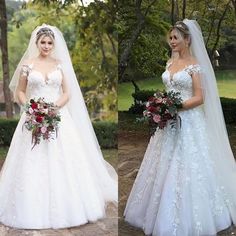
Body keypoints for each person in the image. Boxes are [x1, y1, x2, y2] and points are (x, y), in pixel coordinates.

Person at [124, 19, 236, 236]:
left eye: (176, 38)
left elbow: (200, 97)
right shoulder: (169, 63)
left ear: (188, 39)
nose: (172, 41)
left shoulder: (195, 65)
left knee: (188, 165)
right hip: (168, 123)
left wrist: (174, 107)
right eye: (171, 37)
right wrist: (162, 106)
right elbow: (169, 90)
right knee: (163, 163)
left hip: (190, 122)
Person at [0, 24, 117, 229]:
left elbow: (66, 93)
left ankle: (71, 208)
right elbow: (19, 91)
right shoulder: (28, 65)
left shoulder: (60, 65)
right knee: (30, 159)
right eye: (43, 42)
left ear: (54, 44)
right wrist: (29, 107)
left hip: (58, 116)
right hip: (33, 115)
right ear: (36, 43)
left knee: (65, 160)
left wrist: (53, 108)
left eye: (49, 42)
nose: (46, 45)